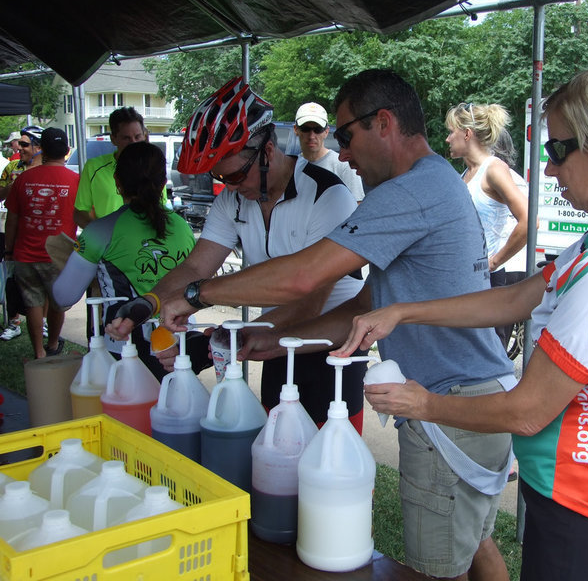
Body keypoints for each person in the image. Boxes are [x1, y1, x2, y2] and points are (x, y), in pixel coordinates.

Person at [111, 69, 516, 581]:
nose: (341, 153)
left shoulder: (405, 192)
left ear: (384, 123)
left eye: (346, 137)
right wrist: (276, 340)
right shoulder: (430, 183)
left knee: (438, 571)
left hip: (449, 402)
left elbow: (305, 279)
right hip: (470, 396)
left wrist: (198, 296)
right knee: (476, 542)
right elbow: (365, 307)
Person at [331, 64, 588, 581]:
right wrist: (403, 311)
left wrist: (423, 404)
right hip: (581, 494)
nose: (549, 169)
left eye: (559, 150)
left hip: (586, 505)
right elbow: (518, 298)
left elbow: (527, 410)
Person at [107, 77, 365, 430]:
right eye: (220, 177)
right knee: (274, 457)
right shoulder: (233, 198)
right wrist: (147, 303)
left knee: (329, 467)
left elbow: (309, 300)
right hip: (275, 336)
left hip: (331, 345)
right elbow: (198, 265)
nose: (229, 186)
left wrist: (217, 343)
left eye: (235, 175)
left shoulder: (328, 195)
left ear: (268, 152)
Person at [52, 142, 202, 379]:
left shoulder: (100, 230)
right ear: (163, 183)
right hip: (180, 345)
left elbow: (63, 296)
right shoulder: (183, 228)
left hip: (124, 349)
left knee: (127, 415)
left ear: (117, 182)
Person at [445, 102, 528, 348]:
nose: (448, 139)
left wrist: (494, 261)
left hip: (490, 280)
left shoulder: (494, 169)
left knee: (491, 354)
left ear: (467, 134)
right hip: (468, 279)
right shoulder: (466, 174)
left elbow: (528, 221)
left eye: (451, 132)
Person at [4, 128, 79, 359]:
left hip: (26, 253)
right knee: (57, 303)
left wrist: (8, 250)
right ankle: (54, 343)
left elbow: (12, 220)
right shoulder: (76, 180)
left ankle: (38, 352)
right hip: (59, 255)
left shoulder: (24, 179)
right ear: (67, 151)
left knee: (32, 303)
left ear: (42, 150)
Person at [0, 125, 45, 341]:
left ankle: (42, 323)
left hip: (38, 236)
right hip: (12, 231)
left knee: (42, 283)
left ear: (38, 146)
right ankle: (14, 321)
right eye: (20, 143)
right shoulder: (12, 168)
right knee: (11, 280)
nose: (20, 147)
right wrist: (14, 187)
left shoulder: (47, 168)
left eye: (25, 144)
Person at [73, 106, 149, 228]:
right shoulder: (94, 167)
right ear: (113, 139)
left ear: (144, 136)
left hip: (144, 244)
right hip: (108, 244)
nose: (133, 143)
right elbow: (79, 213)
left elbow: (161, 208)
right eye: (126, 138)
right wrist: (100, 234)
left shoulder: (153, 167)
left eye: (137, 137)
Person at [294, 101, 365, 200]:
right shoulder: (292, 167)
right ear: (296, 129)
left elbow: (357, 204)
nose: (311, 136)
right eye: (305, 129)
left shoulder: (343, 165)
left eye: (318, 129)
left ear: (326, 132)